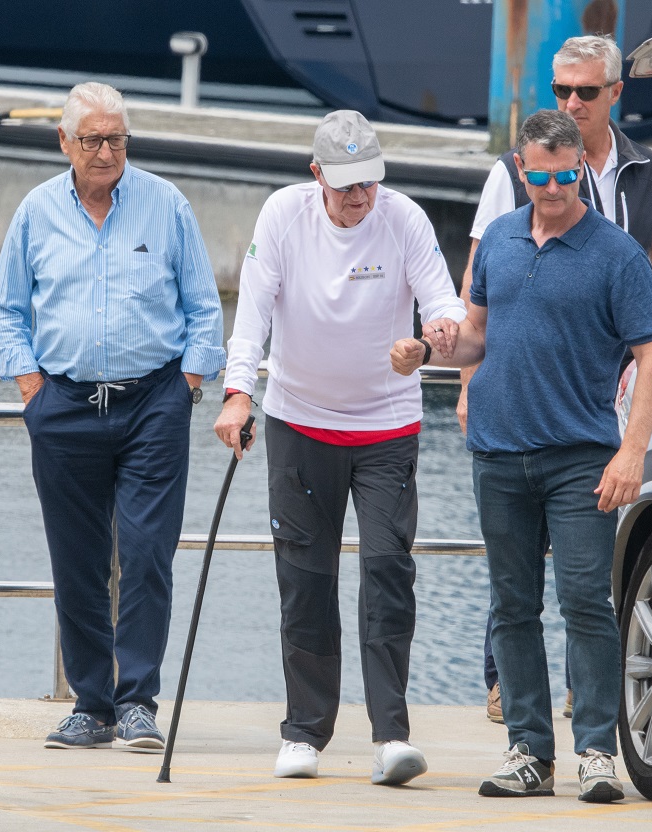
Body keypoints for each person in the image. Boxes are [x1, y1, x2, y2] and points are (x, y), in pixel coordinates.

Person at [391, 109, 652, 801]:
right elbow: (478, 337)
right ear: (520, 169)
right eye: (539, 175)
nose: (552, 187)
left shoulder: (616, 254)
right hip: (498, 452)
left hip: (581, 456)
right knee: (511, 606)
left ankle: (598, 752)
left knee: (585, 603)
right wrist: (427, 352)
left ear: (581, 167)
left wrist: (632, 451)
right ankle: (528, 753)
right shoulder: (501, 243)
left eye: (565, 174)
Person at [213, 110, 466, 787]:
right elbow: (255, 315)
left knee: (387, 572)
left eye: (369, 185)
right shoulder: (282, 217)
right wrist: (239, 392)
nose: (359, 199)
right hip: (298, 424)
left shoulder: (404, 219)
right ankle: (304, 734)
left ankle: (391, 735)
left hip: (386, 428)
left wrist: (434, 335)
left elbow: (446, 305)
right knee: (306, 580)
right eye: (346, 186)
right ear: (316, 173)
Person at [0, 82, 225, 753]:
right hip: (63, 405)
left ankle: (139, 701)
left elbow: (205, 308)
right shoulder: (36, 213)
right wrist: (30, 385)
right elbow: (5, 310)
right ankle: (92, 705)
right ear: (63, 141)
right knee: (78, 560)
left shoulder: (166, 205)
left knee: (148, 554)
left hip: (153, 401)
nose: (104, 151)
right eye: (90, 138)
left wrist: (189, 384)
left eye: (115, 138)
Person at [463, 34, 652, 725]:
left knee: (588, 586)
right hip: (526, 391)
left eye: (586, 91)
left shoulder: (647, 171)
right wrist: (468, 378)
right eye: (561, 90)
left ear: (616, 93)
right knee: (513, 586)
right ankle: (513, 704)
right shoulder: (514, 170)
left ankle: (590, 723)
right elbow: (481, 289)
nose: (572, 102)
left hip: (611, 385)